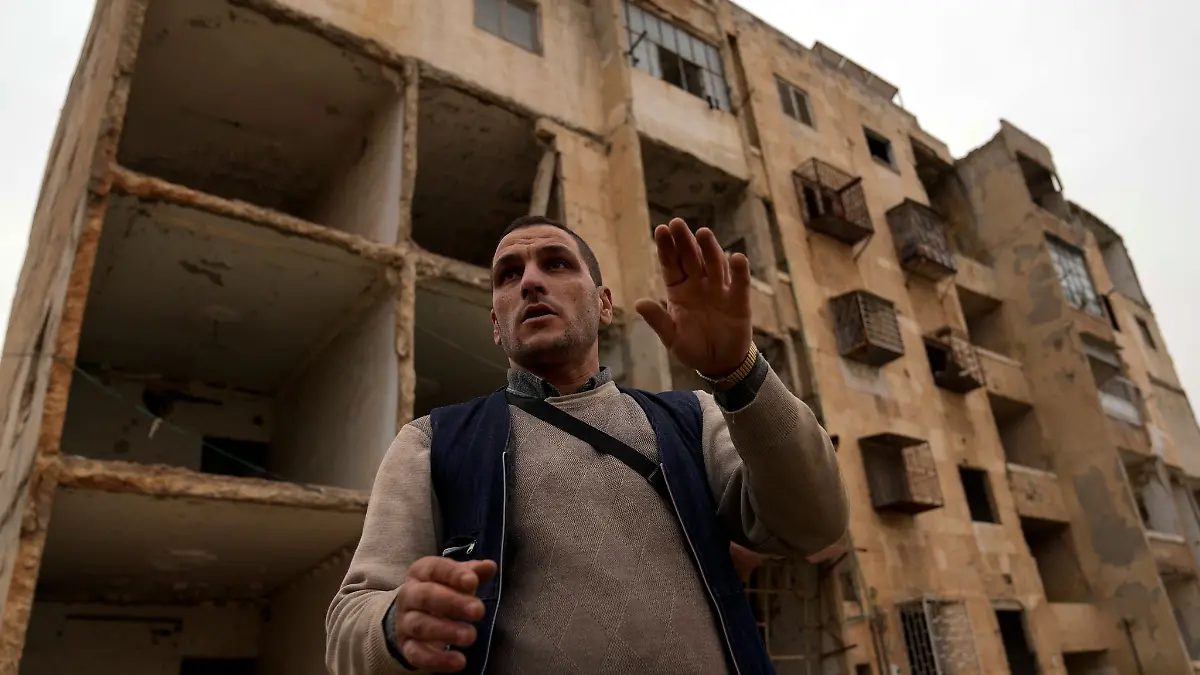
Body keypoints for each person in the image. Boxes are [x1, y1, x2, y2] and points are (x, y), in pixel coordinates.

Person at [326, 216, 849, 675]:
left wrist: (737, 371)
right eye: (509, 274)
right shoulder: (431, 442)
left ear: (603, 305)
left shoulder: (694, 419)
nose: (530, 281)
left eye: (556, 264)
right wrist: (396, 623)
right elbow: (349, 626)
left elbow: (814, 524)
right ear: (494, 323)